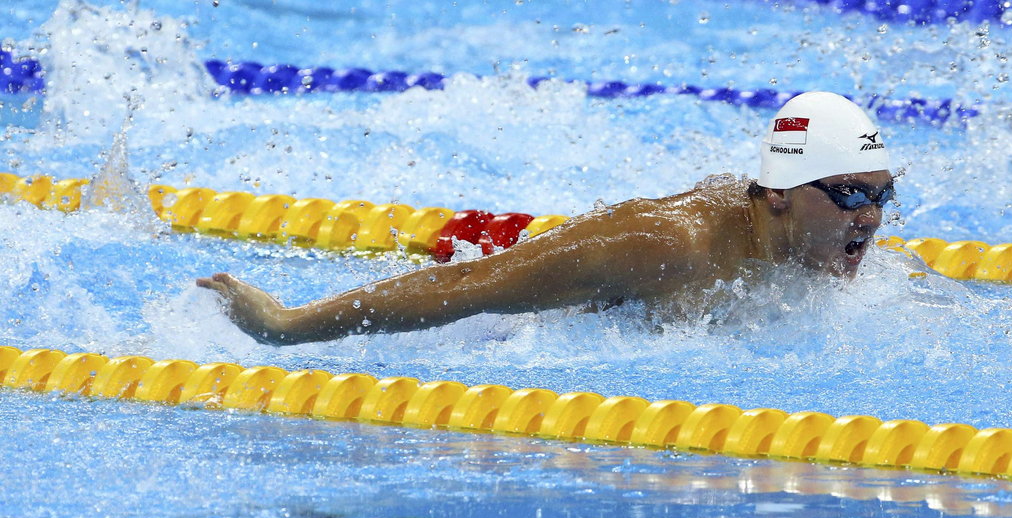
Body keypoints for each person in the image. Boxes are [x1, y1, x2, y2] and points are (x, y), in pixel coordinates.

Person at [197, 91, 894, 346]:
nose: (869, 220)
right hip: (510, 303)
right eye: (850, 196)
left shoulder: (812, 240)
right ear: (777, 192)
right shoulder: (667, 246)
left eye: (882, 196)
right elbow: (468, 291)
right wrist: (287, 326)